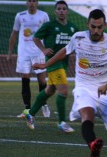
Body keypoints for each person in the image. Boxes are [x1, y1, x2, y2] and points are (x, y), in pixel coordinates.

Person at [32, 9, 107, 157]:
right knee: (87, 115)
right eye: (92, 26)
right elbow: (64, 51)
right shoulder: (78, 37)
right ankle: (92, 144)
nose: (95, 31)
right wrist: (45, 65)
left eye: (99, 27)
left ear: (105, 25)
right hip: (84, 87)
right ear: (87, 24)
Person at [25, 0, 78, 133]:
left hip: (64, 63)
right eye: (59, 9)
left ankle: (30, 113)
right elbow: (36, 37)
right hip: (53, 63)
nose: (61, 11)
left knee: (50, 90)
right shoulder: (49, 25)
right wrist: (43, 50)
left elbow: (76, 45)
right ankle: (62, 122)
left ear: (67, 11)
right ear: (55, 11)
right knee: (64, 91)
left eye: (63, 9)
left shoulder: (73, 28)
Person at [7, 0, 50, 118]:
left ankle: (44, 104)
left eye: (34, 1)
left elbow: (49, 32)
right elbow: (14, 33)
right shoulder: (20, 16)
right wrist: (10, 52)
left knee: (42, 80)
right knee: (25, 79)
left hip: (39, 52)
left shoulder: (44, 15)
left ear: (37, 3)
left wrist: (48, 49)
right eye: (30, 1)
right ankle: (27, 109)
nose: (32, 3)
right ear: (26, 3)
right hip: (24, 53)